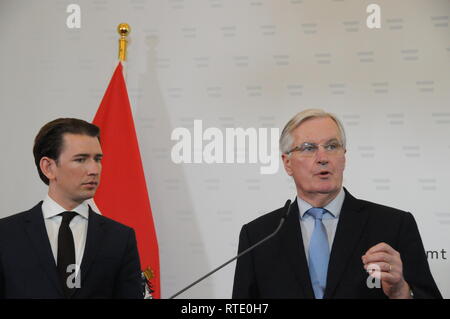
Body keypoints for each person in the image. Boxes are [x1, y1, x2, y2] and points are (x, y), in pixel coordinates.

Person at [232, 109, 442, 299]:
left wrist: (401, 292)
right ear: (287, 163)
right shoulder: (258, 236)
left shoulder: (394, 225)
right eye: (308, 148)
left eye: (332, 146)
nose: (322, 157)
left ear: (344, 157)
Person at [0, 118, 143, 298]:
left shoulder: (120, 238)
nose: (94, 169)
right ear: (48, 167)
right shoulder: (6, 234)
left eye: (97, 159)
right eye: (81, 159)